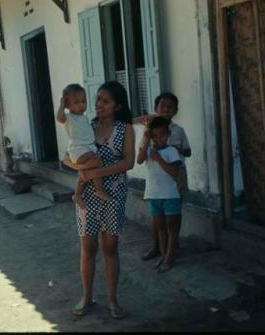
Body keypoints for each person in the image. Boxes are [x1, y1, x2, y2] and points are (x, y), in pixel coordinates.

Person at [62, 81, 135, 319]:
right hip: (87, 196)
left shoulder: (125, 129)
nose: (98, 105)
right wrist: (82, 170)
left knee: (110, 248)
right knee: (88, 249)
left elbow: (128, 163)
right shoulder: (85, 125)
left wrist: (93, 173)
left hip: (113, 194)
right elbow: (66, 158)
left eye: (105, 101)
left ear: (118, 105)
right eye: (97, 99)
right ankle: (87, 297)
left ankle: (113, 300)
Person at [134, 92, 191, 260]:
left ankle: (174, 247)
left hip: (176, 175)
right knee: (157, 217)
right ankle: (156, 247)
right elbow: (141, 156)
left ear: (176, 110)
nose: (166, 109)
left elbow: (188, 151)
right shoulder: (149, 132)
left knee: (174, 213)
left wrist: (175, 150)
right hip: (157, 179)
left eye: (170, 106)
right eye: (162, 106)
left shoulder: (179, 131)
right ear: (155, 108)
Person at [137, 116, 182, 272]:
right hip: (153, 195)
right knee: (160, 228)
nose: (158, 139)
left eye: (162, 134)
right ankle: (164, 256)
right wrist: (145, 139)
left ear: (168, 134)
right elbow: (139, 160)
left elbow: (175, 173)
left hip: (170, 195)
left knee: (172, 229)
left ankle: (169, 258)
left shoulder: (172, 151)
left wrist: (159, 159)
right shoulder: (149, 150)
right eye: (154, 136)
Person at [56, 84, 112, 209]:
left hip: (86, 148)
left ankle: (78, 195)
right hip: (78, 150)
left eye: (83, 101)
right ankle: (98, 189)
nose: (81, 105)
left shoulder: (84, 117)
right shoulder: (69, 118)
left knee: (87, 170)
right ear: (67, 105)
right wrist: (61, 105)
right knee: (96, 162)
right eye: (76, 102)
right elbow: (59, 118)